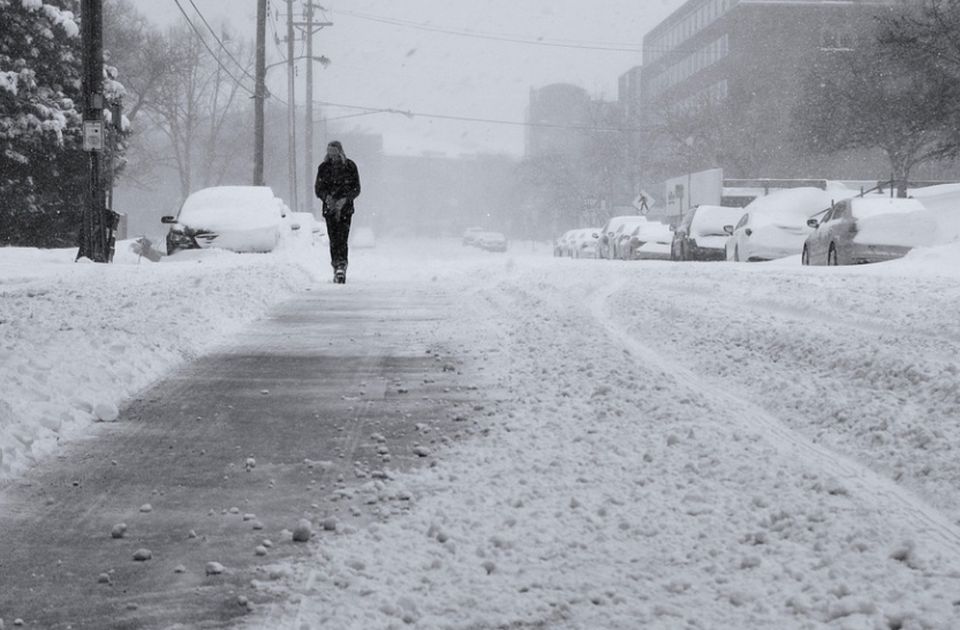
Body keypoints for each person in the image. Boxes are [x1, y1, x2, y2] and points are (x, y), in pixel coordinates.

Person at [314, 140, 361, 284]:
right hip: (329, 209)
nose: (331, 153)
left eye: (333, 150)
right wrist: (327, 197)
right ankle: (335, 265)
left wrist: (345, 199)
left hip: (345, 210)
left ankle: (342, 265)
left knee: (342, 239)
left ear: (339, 151)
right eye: (329, 150)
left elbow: (356, 188)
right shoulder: (323, 168)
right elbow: (318, 188)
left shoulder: (350, 166)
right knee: (333, 239)